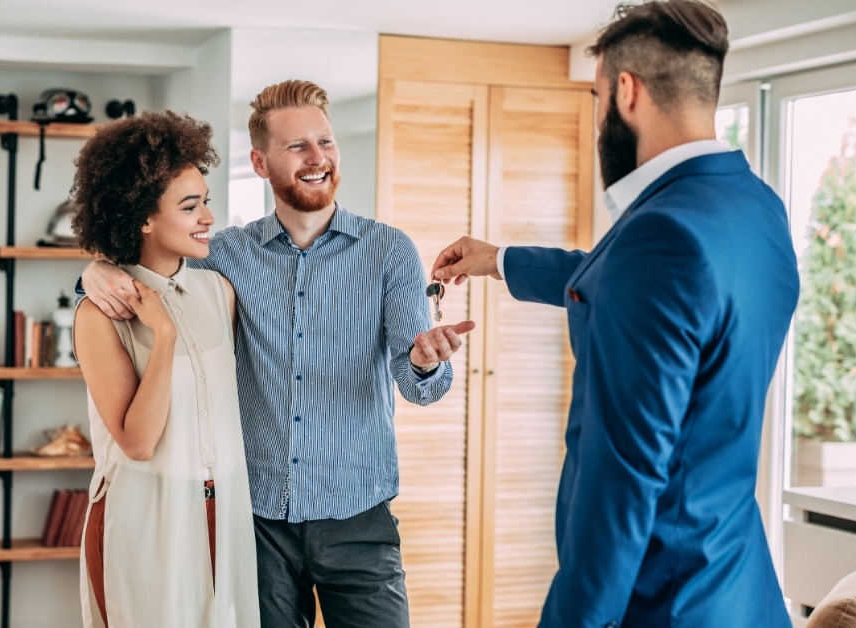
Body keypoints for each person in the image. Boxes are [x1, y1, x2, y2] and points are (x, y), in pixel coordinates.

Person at [431, 2, 798, 626]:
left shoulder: (658, 237)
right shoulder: (756, 207)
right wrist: (502, 260)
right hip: (737, 589)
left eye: (597, 96)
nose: (599, 115)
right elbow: (645, 293)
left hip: (660, 601)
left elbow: (622, 484)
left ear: (626, 93)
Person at [79, 79, 474, 627]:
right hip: (258, 525)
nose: (318, 159)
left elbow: (416, 386)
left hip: (359, 521)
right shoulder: (227, 256)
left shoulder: (390, 251)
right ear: (260, 163)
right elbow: (150, 266)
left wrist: (427, 363)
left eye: (326, 142)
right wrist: (92, 272)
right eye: (298, 147)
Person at [70, 110, 259, 627]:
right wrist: (164, 337)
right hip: (144, 514)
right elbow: (137, 442)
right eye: (190, 205)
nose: (208, 219)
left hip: (223, 514)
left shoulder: (219, 291)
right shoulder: (99, 312)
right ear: (144, 216)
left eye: (207, 202)